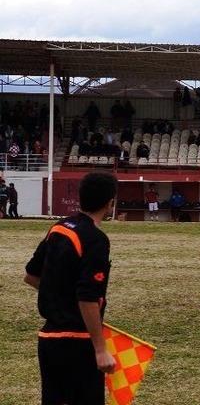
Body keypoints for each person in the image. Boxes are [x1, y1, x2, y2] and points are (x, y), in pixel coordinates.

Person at [24, 172, 118, 404]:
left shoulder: (60, 228)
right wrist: (100, 349)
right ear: (110, 203)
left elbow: (31, 275)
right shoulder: (96, 239)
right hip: (78, 343)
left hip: (49, 340)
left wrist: (61, 297)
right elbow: (87, 297)